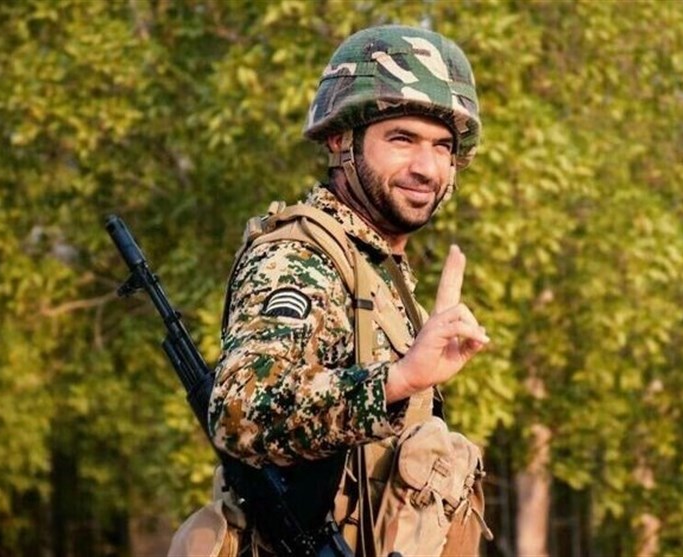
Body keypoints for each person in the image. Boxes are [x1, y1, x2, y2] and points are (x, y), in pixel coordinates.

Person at [207, 24, 489, 557]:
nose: (426, 168)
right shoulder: (300, 257)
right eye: (402, 139)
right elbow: (239, 413)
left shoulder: (378, 267)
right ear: (341, 140)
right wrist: (398, 380)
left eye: (442, 147)